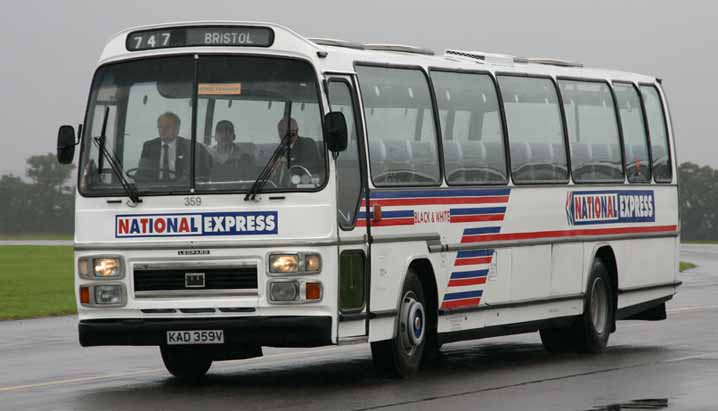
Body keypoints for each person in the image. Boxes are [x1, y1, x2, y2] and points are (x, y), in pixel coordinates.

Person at [135, 112, 212, 181]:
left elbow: (204, 174)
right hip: (155, 188)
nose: (163, 130)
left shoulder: (192, 147)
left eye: (167, 127)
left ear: (177, 129)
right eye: (160, 127)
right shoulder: (149, 146)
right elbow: (142, 173)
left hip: (181, 190)